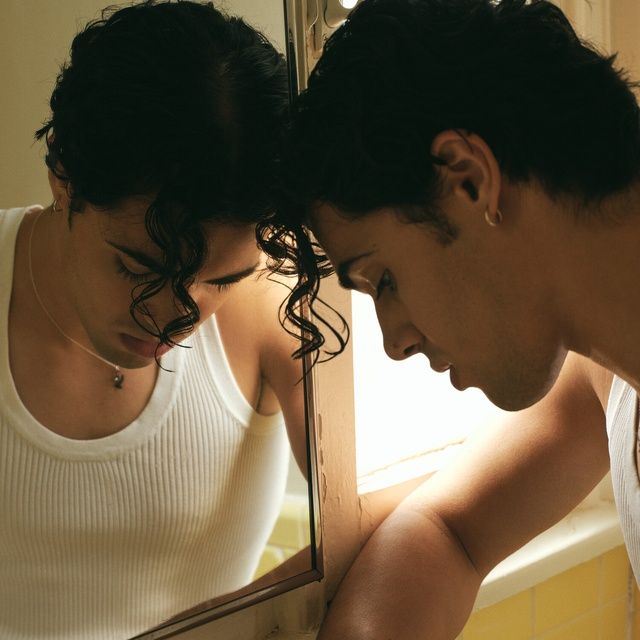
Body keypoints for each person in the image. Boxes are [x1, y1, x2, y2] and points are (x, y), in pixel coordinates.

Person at [273, 0, 640, 637]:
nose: (394, 342)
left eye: (384, 279)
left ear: (469, 181)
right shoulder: (606, 378)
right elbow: (448, 533)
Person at [1, 1, 307, 638]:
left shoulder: (276, 305)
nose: (175, 317)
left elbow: (395, 509)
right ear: (63, 176)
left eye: (221, 280)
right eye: (139, 267)